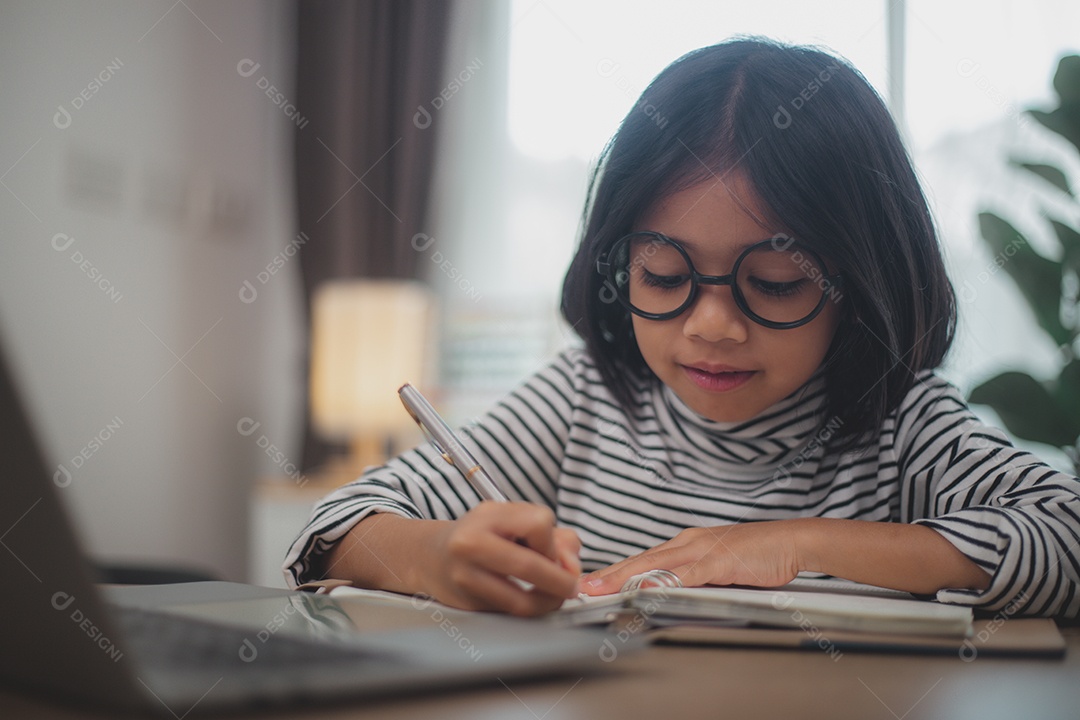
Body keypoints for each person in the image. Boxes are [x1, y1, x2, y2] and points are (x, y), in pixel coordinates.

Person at [284, 37, 1080, 618]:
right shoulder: (586, 400)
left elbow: (1066, 534)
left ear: (860, 282)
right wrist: (439, 559)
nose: (712, 326)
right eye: (663, 276)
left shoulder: (903, 426)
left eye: (773, 283)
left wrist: (800, 544)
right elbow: (328, 528)